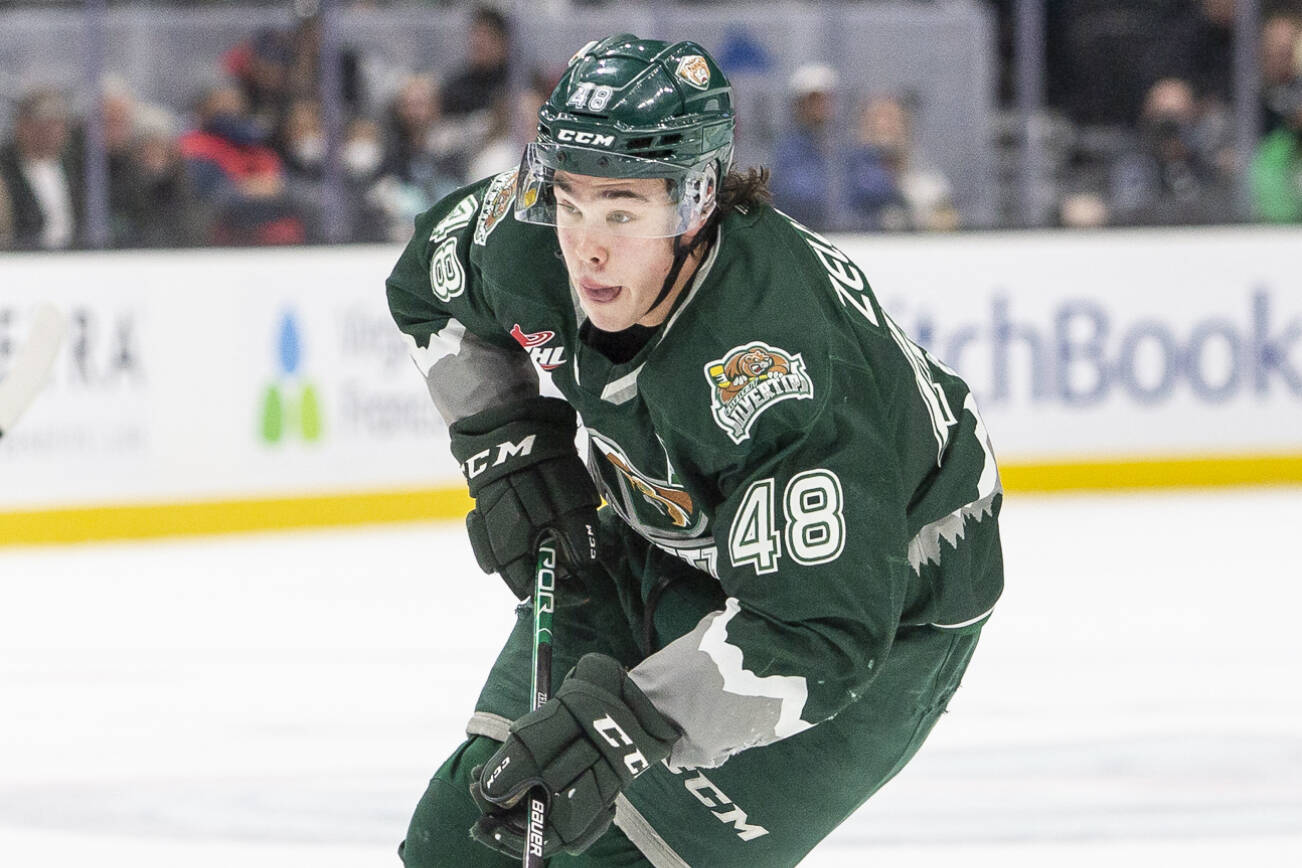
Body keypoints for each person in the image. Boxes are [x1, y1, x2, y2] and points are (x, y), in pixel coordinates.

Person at [386, 34, 1003, 867]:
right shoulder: (528, 237)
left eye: (622, 211)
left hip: (878, 616)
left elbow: (819, 631)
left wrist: (630, 724)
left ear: (695, 201)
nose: (586, 247)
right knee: (457, 845)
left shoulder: (770, 369)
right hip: (661, 529)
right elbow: (431, 285)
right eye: (570, 202)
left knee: (620, 856)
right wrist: (506, 443)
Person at [769, 62, 838, 229]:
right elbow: (798, 195)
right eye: (813, 100)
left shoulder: (841, 146)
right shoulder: (788, 148)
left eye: (824, 99)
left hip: (849, 235)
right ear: (798, 105)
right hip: (803, 233)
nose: (820, 107)